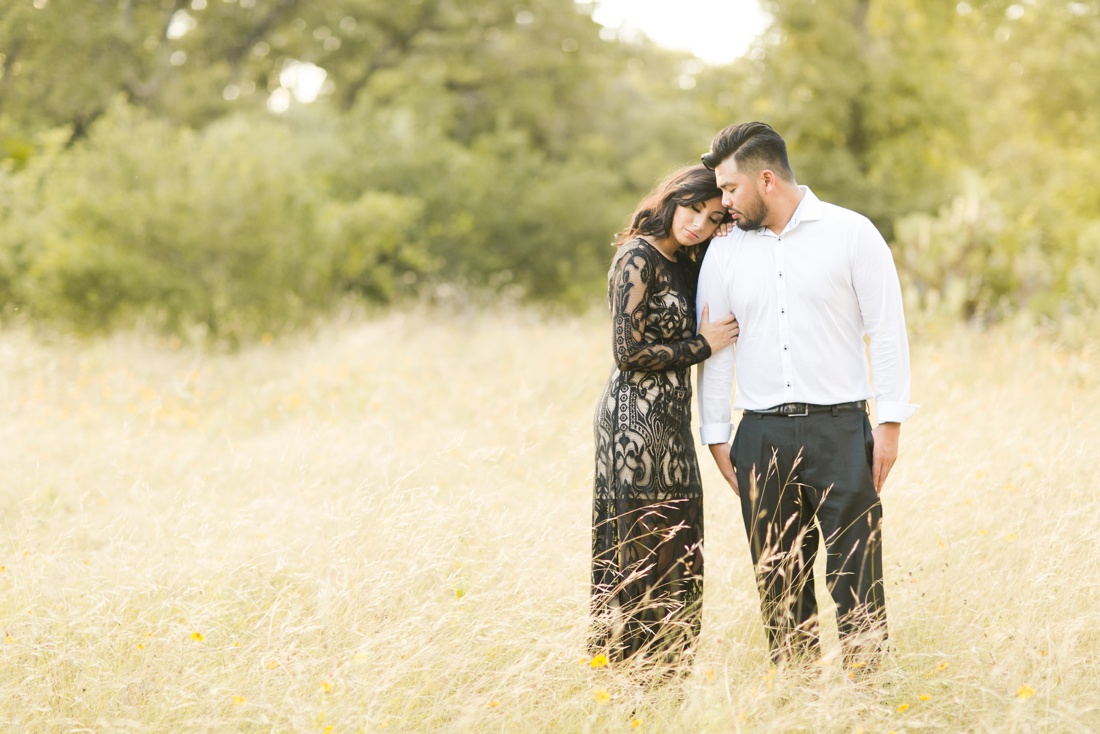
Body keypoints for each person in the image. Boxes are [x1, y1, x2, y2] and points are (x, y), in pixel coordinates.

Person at [695, 122, 918, 673]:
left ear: (766, 180)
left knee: (859, 578)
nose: (723, 204)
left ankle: (870, 704)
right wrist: (718, 435)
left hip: (842, 431)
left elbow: (887, 331)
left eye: (729, 190)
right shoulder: (724, 254)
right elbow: (718, 350)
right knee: (778, 586)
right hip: (761, 435)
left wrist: (889, 423)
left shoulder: (852, 233)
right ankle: (797, 708)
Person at [591, 164, 739, 670]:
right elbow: (626, 352)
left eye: (712, 215)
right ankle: (634, 671)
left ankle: (669, 669)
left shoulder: (685, 262)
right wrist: (704, 344)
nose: (697, 222)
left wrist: (730, 228)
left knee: (681, 542)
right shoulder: (637, 257)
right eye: (694, 208)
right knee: (645, 544)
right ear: (673, 199)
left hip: (671, 425)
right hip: (632, 420)